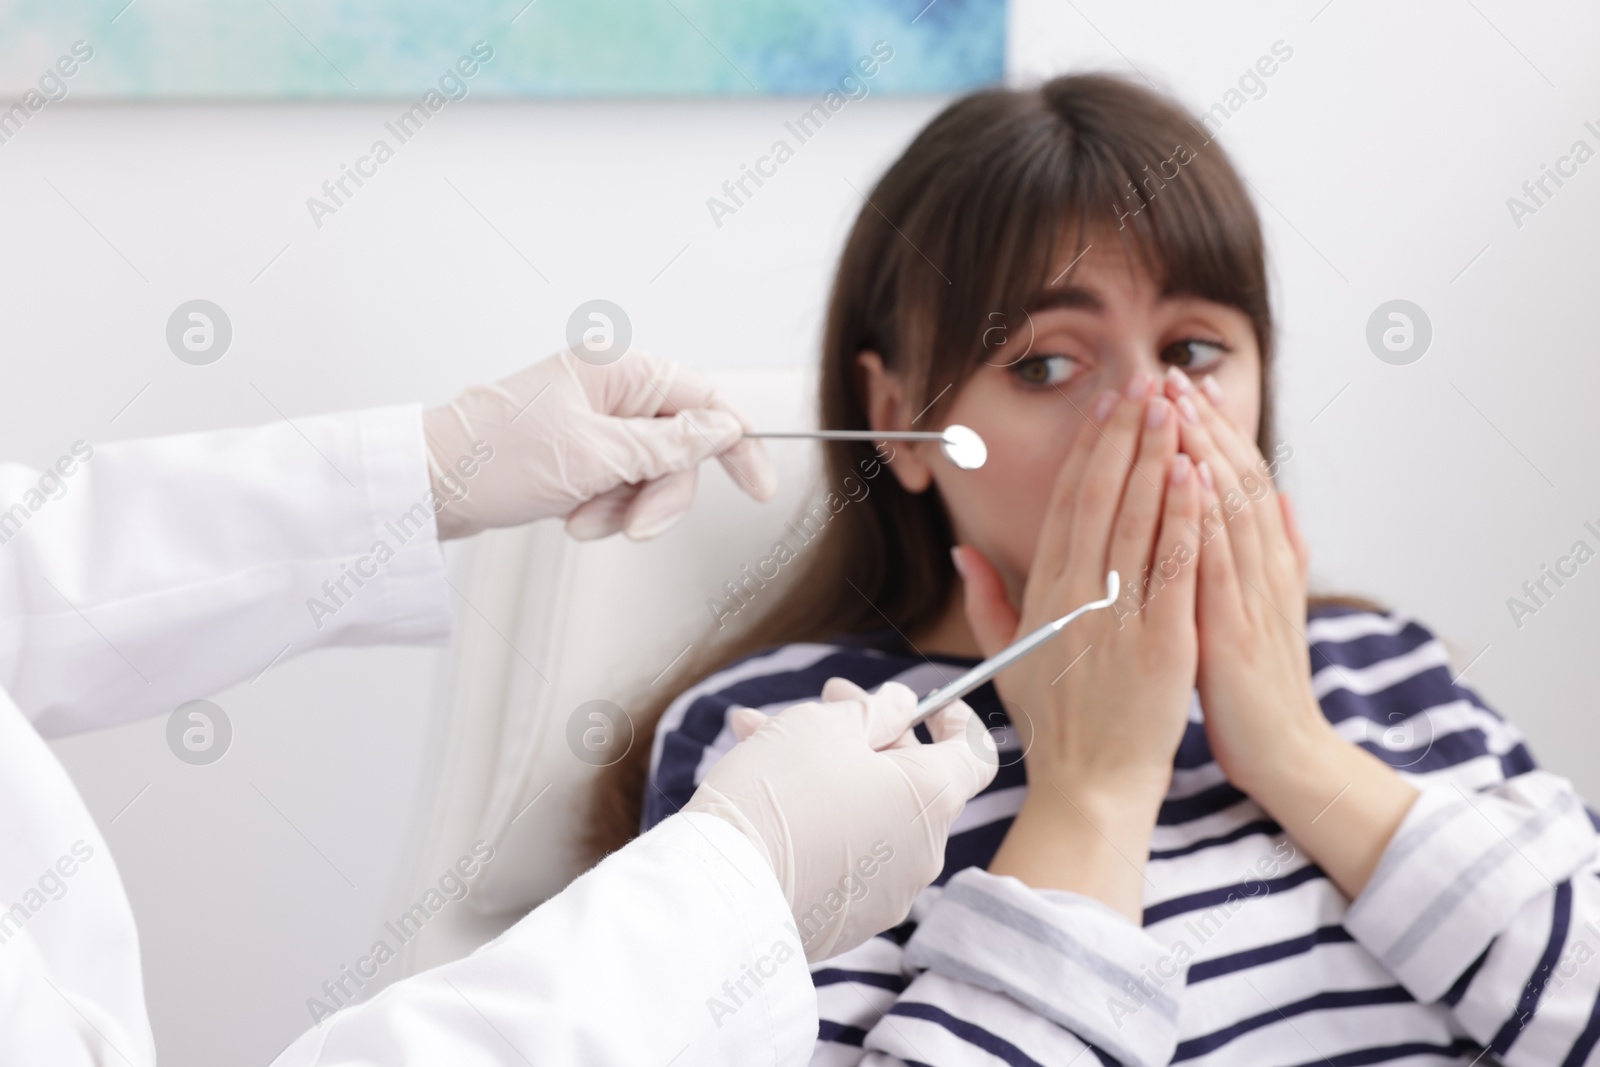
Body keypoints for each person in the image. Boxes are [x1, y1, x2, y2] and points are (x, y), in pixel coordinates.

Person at [603, 75, 1600, 1067]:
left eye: (1194, 349)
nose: (1149, 412)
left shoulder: (1389, 671)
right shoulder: (782, 744)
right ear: (900, 417)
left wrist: (1299, 752)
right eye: (1044, 364)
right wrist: (1093, 796)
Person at [0, 347, 996, 1066]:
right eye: (1042, 364)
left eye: (1167, 347)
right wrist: (740, 881)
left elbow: (29, 579)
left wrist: (434, 467)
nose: (1147, 414)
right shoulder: (742, 719)